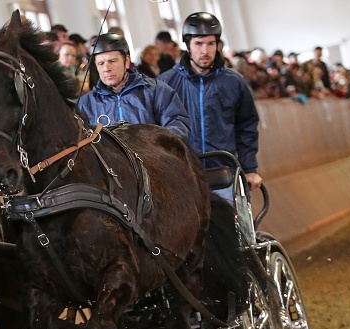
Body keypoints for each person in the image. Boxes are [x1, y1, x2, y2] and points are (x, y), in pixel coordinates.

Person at [158, 12, 261, 202]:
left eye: (210, 44)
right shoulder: (165, 84)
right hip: (182, 177)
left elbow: (246, 126)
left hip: (225, 175)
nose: (205, 51)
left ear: (217, 45)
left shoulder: (234, 82)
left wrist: (249, 169)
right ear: (187, 45)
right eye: (199, 44)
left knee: (234, 230)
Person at [78, 33, 189, 140]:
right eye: (101, 63)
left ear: (126, 61)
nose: (106, 68)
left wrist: (153, 146)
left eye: (112, 61)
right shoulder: (86, 104)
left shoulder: (157, 91)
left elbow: (177, 127)